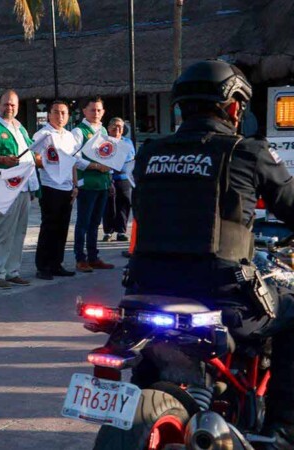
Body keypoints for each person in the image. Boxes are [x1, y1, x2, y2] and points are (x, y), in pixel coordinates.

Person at [128, 60, 294, 448]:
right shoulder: (248, 151)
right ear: (234, 107)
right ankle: (284, 427)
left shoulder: (149, 153)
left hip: (144, 290)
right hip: (222, 296)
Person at [0, 89, 39, 289]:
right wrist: (3, 160)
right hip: (3, 188)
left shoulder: (20, 128)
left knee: (19, 232)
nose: (9, 107)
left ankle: (12, 272)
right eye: (6, 104)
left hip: (23, 187)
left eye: (13, 104)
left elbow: (30, 153)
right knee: (2, 232)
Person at [33, 100, 79, 280]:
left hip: (67, 186)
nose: (60, 116)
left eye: (64, 113)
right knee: (49, 227)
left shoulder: (69, 136)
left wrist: (76, 185)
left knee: (62, 228)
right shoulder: (43, 134)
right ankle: (43, 266)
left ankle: (56, 263)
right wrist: (51, 165)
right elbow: (35, 158)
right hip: (50, 185)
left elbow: (73, 161)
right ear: (49, 114)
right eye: (56, 112)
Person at [71, 97, 115, 273]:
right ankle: (80, 258)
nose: (96, 113)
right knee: (83, 222)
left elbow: (108, 155)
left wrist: (110, 178)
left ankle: (93, 256)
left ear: (103, 111)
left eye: (99, 110)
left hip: (102, 183)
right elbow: (74, 158)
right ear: (84, 111)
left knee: (95, 222)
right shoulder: (78, 132)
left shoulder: (104, 130)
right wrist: (95, 166)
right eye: (92, 110)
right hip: (87, 183)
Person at [102, 117, 135, 242]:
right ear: (109, 128)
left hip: (123, 177)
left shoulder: (127, 142)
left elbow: (130, 158)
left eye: (120, 127)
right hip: (108, 176)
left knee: (124, 203)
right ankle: (108, 231)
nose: (117, 129)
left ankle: (121, 231)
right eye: (114, 126)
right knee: (109, 204)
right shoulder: (104, 141)